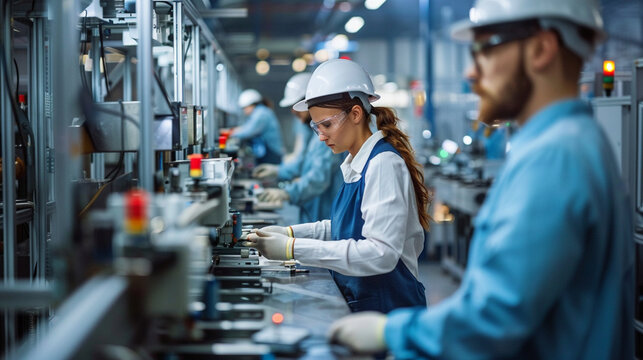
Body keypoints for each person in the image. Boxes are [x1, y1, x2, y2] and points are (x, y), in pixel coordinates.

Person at [326, 0, 634, 358]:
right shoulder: (576, 142)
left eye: (484, 50)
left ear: (541, 49)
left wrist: (391, 331)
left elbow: (495, 316)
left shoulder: (554, 157)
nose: (470, 73)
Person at [245, 59, 431, 314]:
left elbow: (380, 252)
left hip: (390, 309)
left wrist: (292, 248)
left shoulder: (383, 164)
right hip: (368, 302)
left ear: (356, 114)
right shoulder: (355, 162)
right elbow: (348, 228)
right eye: (316, 126)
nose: (320, 136)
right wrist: (290, 232)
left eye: (327, 125)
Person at [252, 73, 344, 223]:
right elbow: (303, 162)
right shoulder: (315, 135)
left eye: (297, 106)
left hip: (324, 211)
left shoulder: (327, 137)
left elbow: (318, 179)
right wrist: (278, 171)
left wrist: (286, 193)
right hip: (314, 210)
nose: (293, 111)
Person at [230, 89, 284, 164]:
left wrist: (231, 133)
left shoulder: (261, 114)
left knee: (268, 173)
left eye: (245, 108)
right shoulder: (261, 111)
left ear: (252, 105)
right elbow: (248, 126)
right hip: (270, 150)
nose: (244, 111)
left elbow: (248, 132)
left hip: (271, 152)